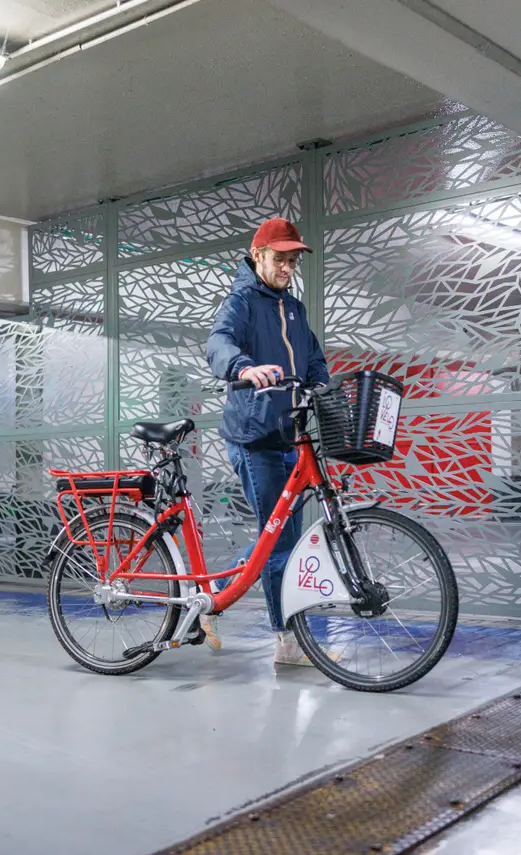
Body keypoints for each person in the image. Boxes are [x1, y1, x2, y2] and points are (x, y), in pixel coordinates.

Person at [204, 217, 330, 664]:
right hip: (254, 436)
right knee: (280, 540)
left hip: (287, 433)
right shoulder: (241, 301)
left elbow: (313, 357)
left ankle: (214, 593)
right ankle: (287, 641)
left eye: (292, 261)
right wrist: (243, 366)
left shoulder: (293, 308)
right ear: (257, 255)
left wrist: (322, 385)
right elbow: (217, 341)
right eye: (280, 259)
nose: (287, 268)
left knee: (278, 536)